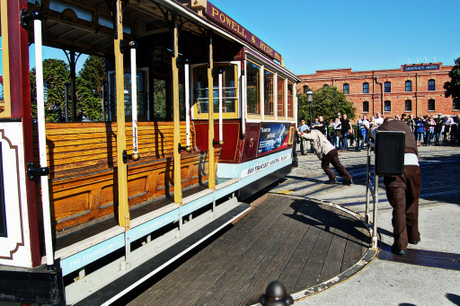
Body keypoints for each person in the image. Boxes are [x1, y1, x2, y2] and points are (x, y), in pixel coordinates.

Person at [377, 117, 421, 255]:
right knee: (412, 202)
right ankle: (413, 236)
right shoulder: (407, 127)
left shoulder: (382, 129)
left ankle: (401, 244)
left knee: (399, 206)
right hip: (414, 166)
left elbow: (373, 137)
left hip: (395, 168)